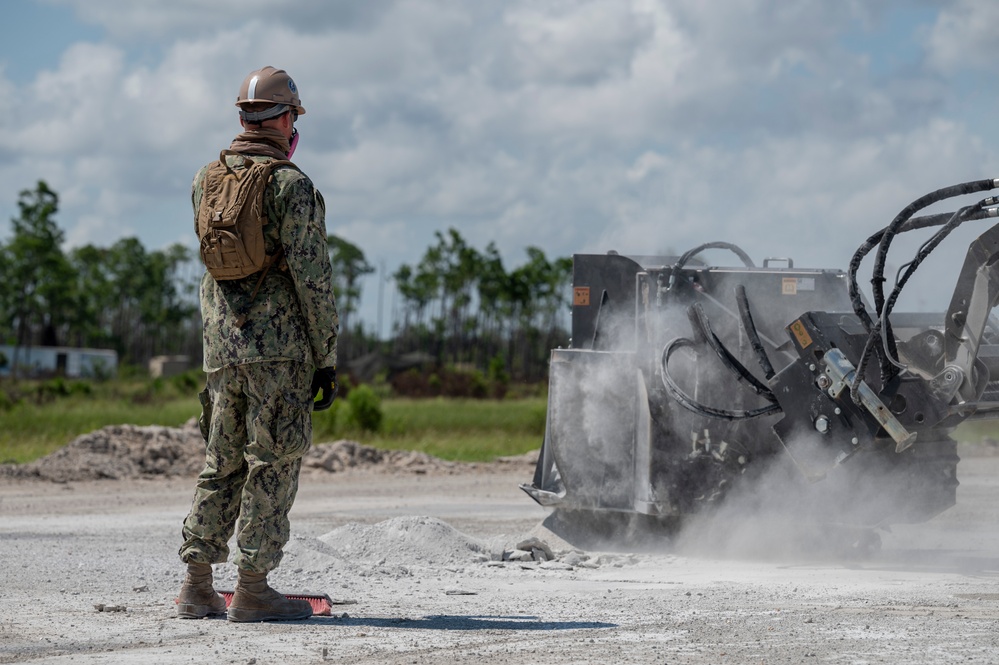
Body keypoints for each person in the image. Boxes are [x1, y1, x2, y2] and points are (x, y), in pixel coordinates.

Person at [176, 66, 339, 622]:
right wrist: (327, 357)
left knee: (220, 462)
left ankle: (197, 585)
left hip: (222, 352)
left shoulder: (206, 180)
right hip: (279, 355)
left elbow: (210, 274)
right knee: (272, 462)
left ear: (244, 117)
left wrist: (213, 349)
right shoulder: (291, 186)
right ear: (286, 118)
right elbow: (313, 280)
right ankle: (252, 588)